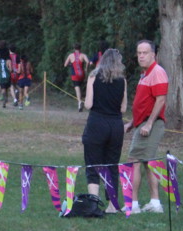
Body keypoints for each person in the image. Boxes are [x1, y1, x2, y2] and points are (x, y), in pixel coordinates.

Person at [81, 48, 127, 213]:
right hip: (115, 125)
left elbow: (88, 104)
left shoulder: (93, 77)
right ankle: (112, 205)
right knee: (112, 165)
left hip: (97, 123)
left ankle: (94, 203)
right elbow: (123, 108)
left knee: (93, 164)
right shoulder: (122, 80)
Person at [124, 40, 167, 214]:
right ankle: (154, 203)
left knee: (133, 161)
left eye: (145, 53)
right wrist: (132, 123)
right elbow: (143, 103)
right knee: (149, 163)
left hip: (150, 124)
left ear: (153, 54)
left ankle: (133, 204)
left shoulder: (157, 72)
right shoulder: (145, 74)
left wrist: (148, 124)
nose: (141, 56)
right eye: (139, 53)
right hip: (142, 123)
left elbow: (161, 100)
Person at [64, 44, 90, 111]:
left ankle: (79, 101)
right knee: (80, 86)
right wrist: (86, 69)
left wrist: (71, 64)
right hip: (82, 74)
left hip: (74, 74)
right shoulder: (83, 55)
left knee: (76, 87)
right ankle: (83, 100)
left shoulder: (71, 55)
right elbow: (88, 62)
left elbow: (65, 65)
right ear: (80, 48)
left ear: (74, 48)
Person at [0, 41, 13, 107]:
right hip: (7, 76)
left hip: (1, 77)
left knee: (3, 88)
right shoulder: (8, 61)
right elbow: (11, 70)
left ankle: (4, 99)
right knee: (7, 88)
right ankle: (6, 99)